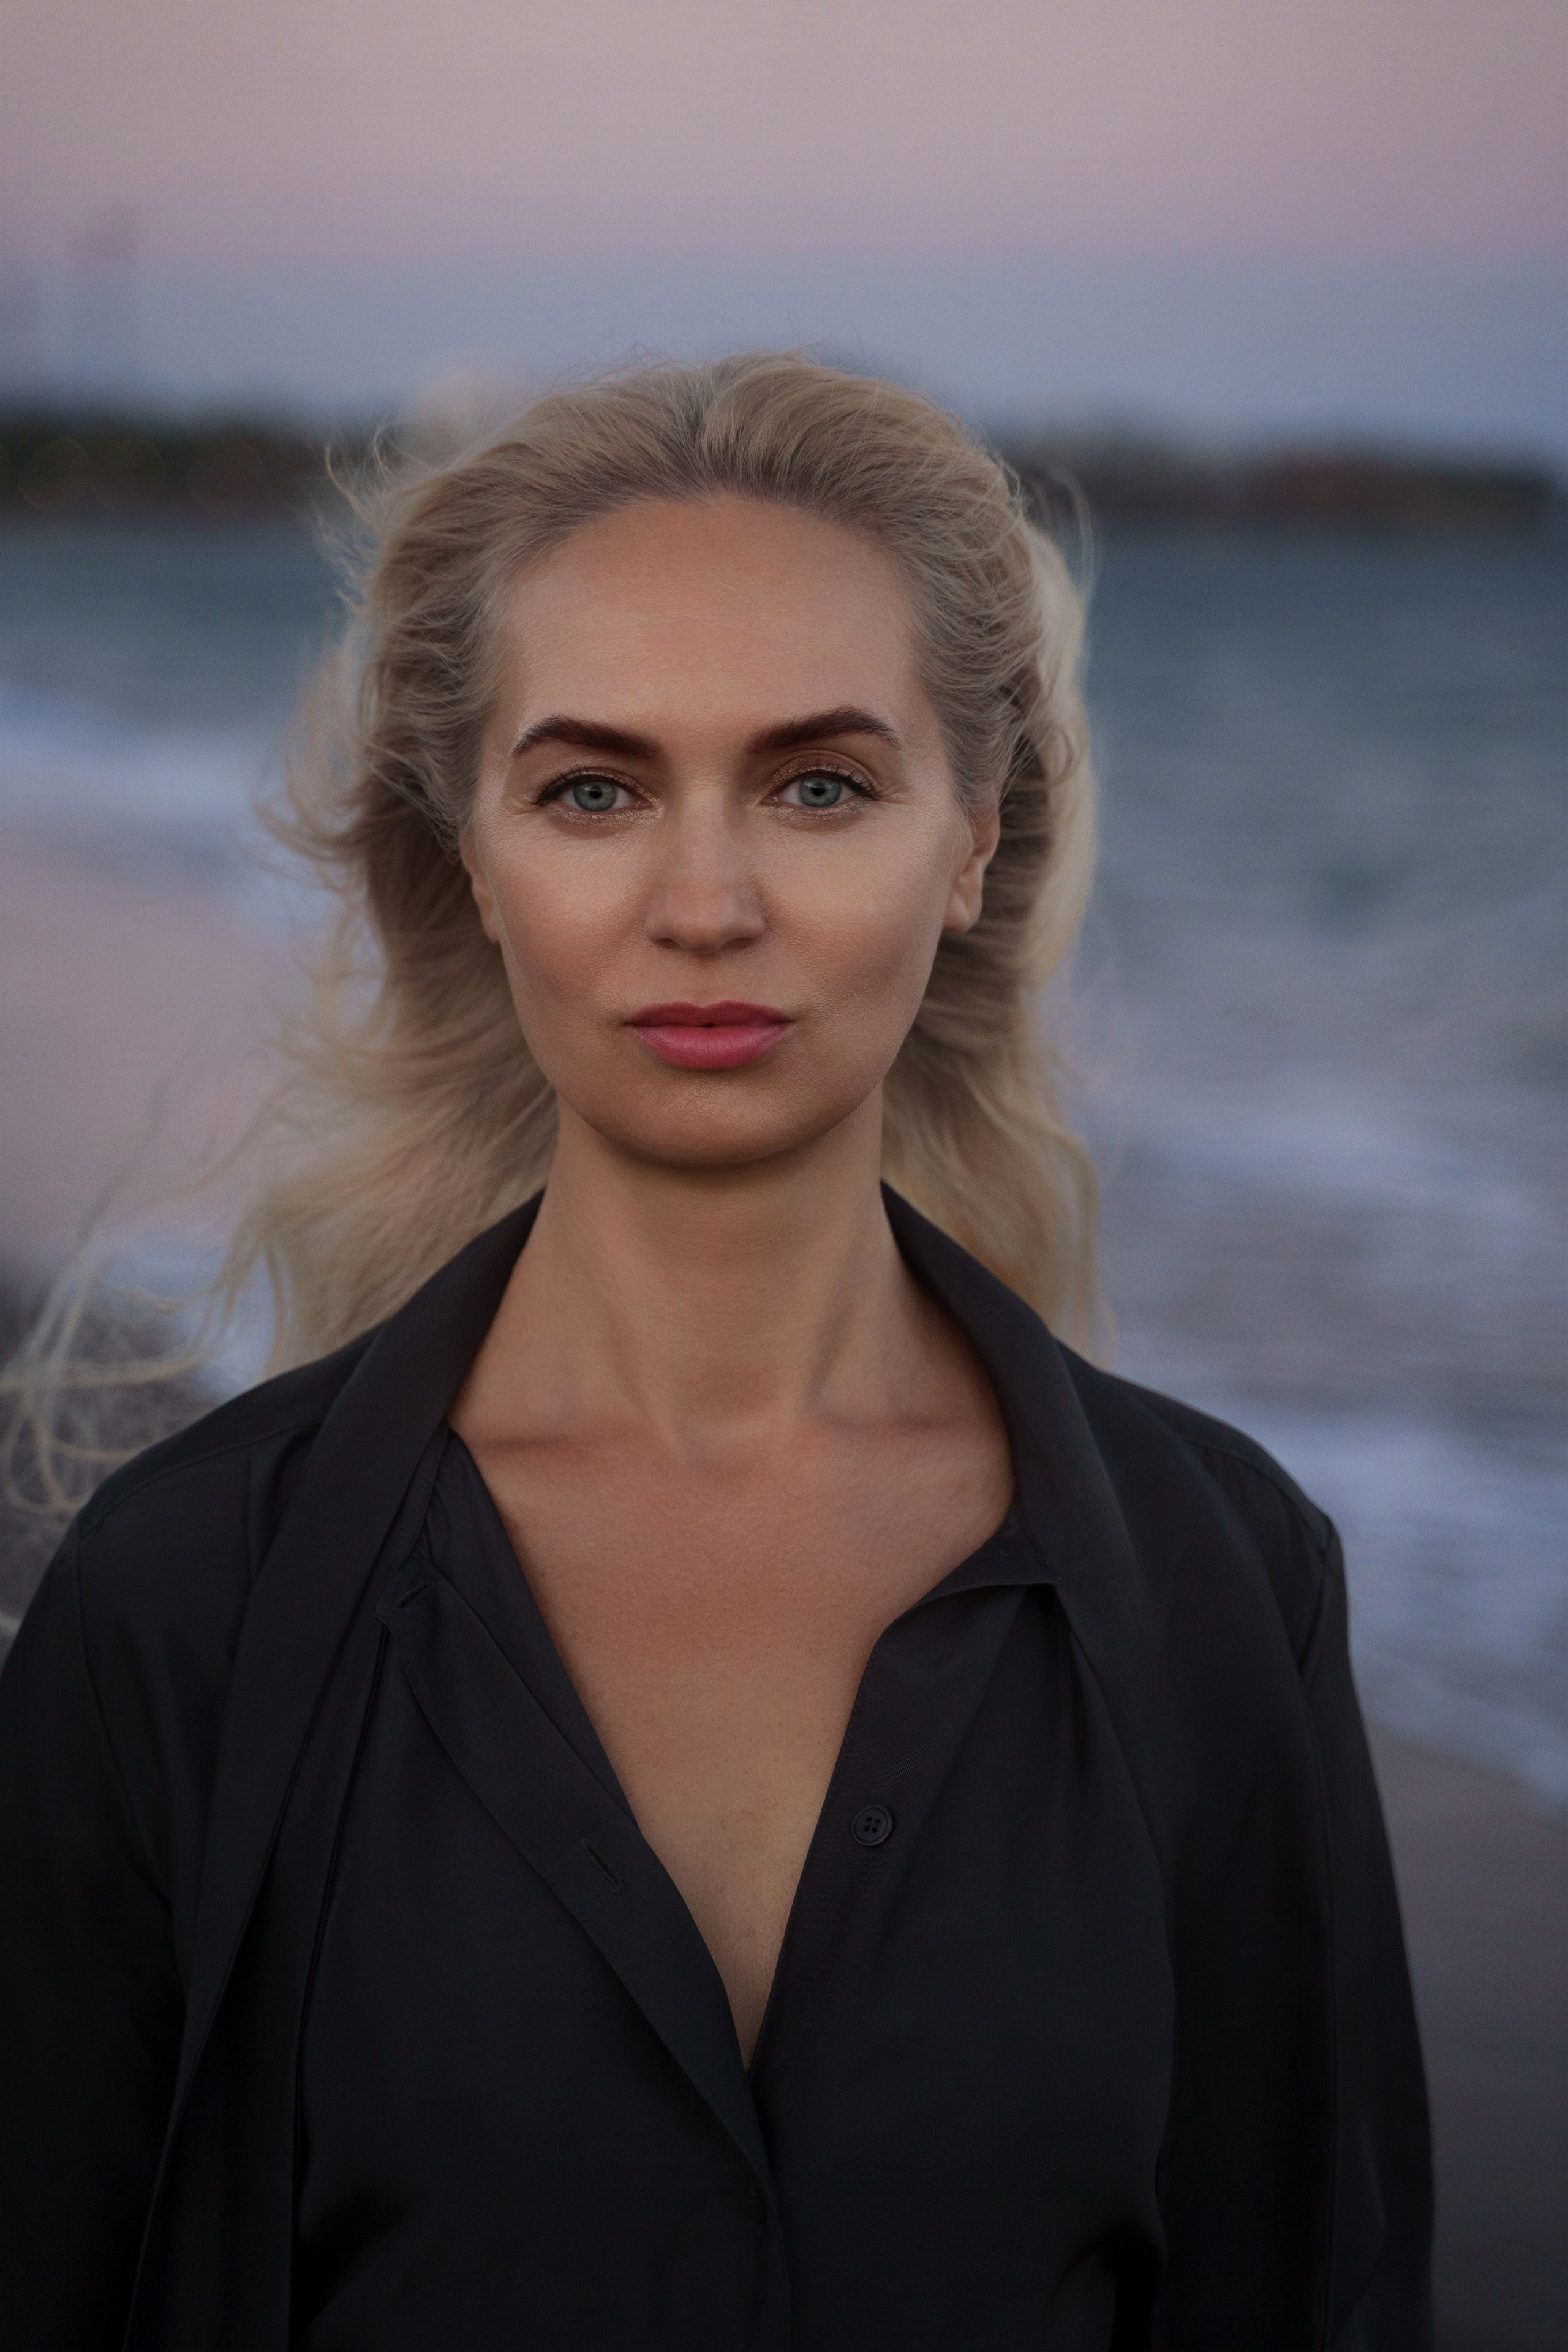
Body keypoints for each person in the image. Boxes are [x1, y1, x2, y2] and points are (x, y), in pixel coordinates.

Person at [0, 355, 1431, 2349]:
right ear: (478, 857)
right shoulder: (180, 1609)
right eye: (594, 789)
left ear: (967, 846)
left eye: (819, 784)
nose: (704, 904)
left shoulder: (1221, 1581)